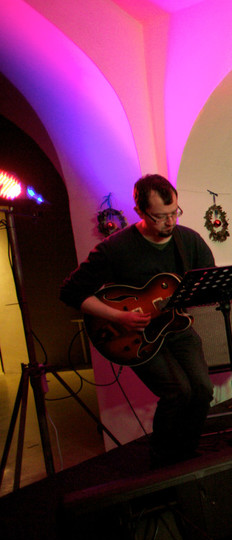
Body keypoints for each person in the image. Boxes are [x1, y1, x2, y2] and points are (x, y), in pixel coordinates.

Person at [60, 174, 216, 466]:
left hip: (176, 327)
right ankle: (162, 460)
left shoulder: (189, 240)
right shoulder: (115, 248)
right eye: (160, 216)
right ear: (140, 212)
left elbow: (207, 281)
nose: (170, 222)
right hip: (134, 336)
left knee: (202, 390)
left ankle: (187, 455)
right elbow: (70, 292)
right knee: (177, 392)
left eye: (174, 213)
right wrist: (120, 316)